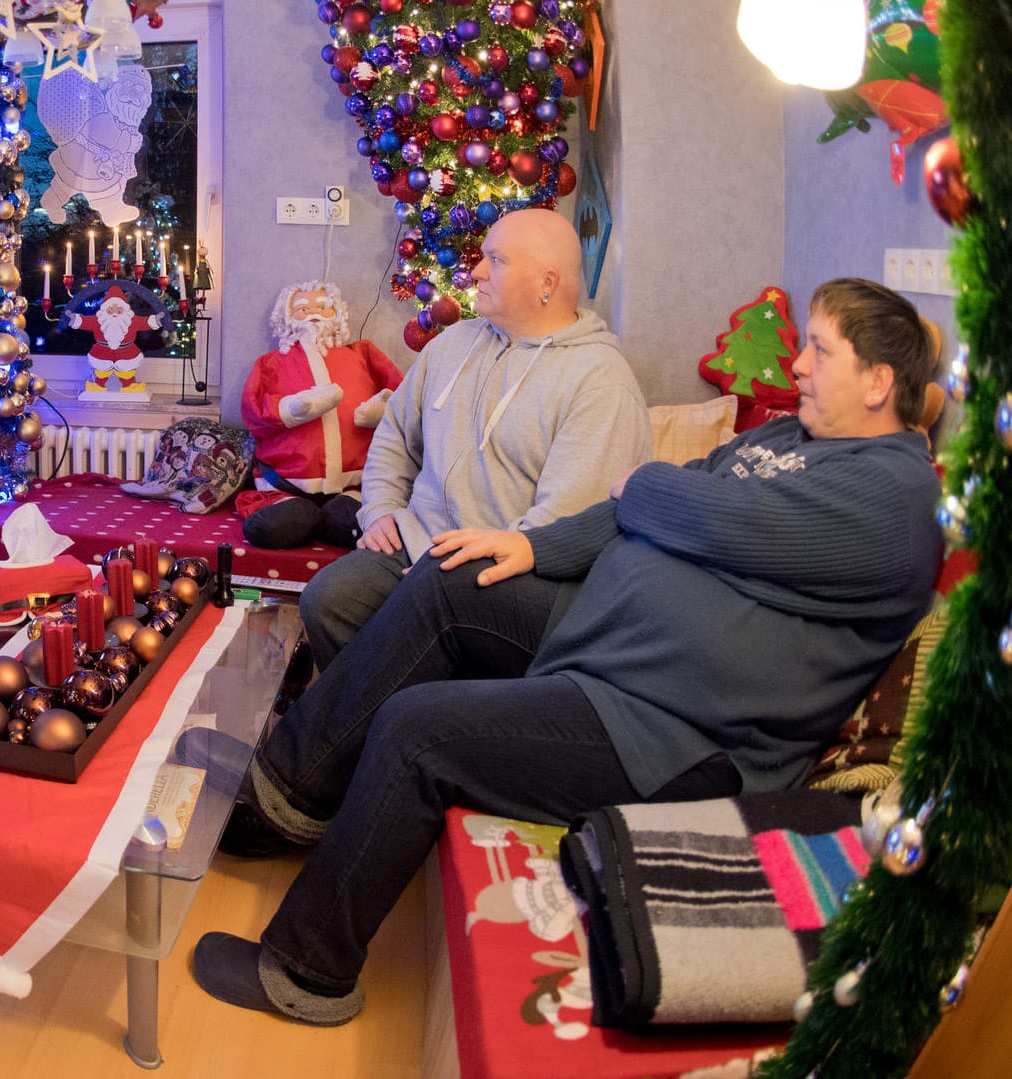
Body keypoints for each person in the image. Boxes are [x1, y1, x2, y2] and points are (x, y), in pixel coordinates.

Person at [189, 278, 944, 1025]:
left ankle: (307, 971)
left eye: (820, 350)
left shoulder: (893, 500)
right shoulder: (791, 438)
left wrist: (647, 487)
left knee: (419, 732)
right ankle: (287, 798)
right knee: (449, 580)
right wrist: (526, 543)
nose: (800, 366)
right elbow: (639, 511)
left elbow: (698, 513)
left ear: (879, 382)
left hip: (673, 734)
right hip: (608, 646)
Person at [301, 208, 650, 670]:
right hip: (417, 542)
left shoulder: (599, 379)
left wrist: (450, 582)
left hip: (512, 573)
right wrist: (381, 508)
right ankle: (385, 729)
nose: (477, 271)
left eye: (497, 260)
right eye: (482, 257)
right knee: (329, 599)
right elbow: (396, 437)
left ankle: (408, 727)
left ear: (547, 282)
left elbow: (566, 524)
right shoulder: (452, 344)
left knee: (414, 646)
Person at [237, 280, 405, 549]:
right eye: (303, 309)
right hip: (286, 486)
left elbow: (403, 395)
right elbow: (253, 411)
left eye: (323, 306)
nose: (313, 312)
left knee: (350, 521)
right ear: (287, 317)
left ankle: (333, 519)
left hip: (354, 487)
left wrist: (381, 408)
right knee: (275, 526)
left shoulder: (362, 353)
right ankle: (304, 517)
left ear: (337, 312)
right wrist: (292, 408)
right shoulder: (270, 364)